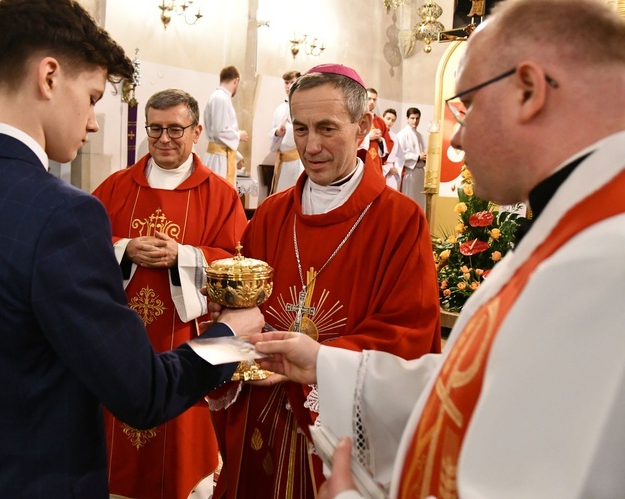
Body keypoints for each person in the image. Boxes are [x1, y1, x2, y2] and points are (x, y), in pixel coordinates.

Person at [0, 0, 264, 496]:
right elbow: (144, 393)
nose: (95, 122)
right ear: (50, 77)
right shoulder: (65, 215)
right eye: (93, 96)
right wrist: (232, 335)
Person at [253, 0, 625, 496]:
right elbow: (476, 385)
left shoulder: (602, 257)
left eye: (466, 106)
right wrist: (324, 362)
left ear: (530, 91)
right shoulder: (579, 225)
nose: (459, 137)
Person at [209, 63, 442, 499]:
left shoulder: (400, 220)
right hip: (262, 414)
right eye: (300, 128)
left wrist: (320, 360)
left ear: (363, 128)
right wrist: (228, 330)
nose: (310, 146)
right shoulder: (272, 214)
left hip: (340, 434)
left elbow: (408, 335)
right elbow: (238, 306)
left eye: (327, 128)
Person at [91, 88, 247, 499]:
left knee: (179, 451)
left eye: (175, 129)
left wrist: (184, 256)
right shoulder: (114, 187)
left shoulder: (221, 195)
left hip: (186, 340)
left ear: (196, 132)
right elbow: (80, 250)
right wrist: (123, 248)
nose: (163, 139)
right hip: (122, 340)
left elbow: (237, 265)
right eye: (155, 129)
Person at [201, 65, 248, 187]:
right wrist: (238, 135)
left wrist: (237, 156)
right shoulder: (220, 98)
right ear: (236, 80)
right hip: (217, 161)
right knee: (216, 197)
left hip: (221, 157)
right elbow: (219, 130)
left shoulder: (221, 97)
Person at [268, 70, 303, 194]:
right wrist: (278, 132)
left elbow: (303, 131)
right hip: (282, 163)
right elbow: (273, 133)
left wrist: (287, 129)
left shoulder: (303, 106)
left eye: (292, 82)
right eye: (286, 83)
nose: (288, 86)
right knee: (280, 196)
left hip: (297, 162)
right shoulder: (280, 109)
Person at [397, 107, 427, 210]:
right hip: (409, 172)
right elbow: (400, 155)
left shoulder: (421, 136)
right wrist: (418, 157)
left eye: (417, 118)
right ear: (407, 118)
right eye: (412, 118)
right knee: (409, 201)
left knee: (419, 202)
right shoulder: (402, 135)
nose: (415, 121)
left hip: (420, 172)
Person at [364, 88, 390, 171]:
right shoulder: (356, 118)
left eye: (374, 99)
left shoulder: (380, 122)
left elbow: (388, 143)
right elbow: (350, 138)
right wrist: (368, 137)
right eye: (369, 99)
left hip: (376, 163)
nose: (372, 102)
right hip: (361, 160)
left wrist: (380, 141)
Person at [380, 109, 404, 190]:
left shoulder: (395, 137)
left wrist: (396, 168)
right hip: (380, 169)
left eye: (393, 120)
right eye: (388, 118)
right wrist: (387, 169)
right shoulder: (377, 134)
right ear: (382, 118)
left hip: (391, 171)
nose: (390, 122)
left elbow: (400, 156)